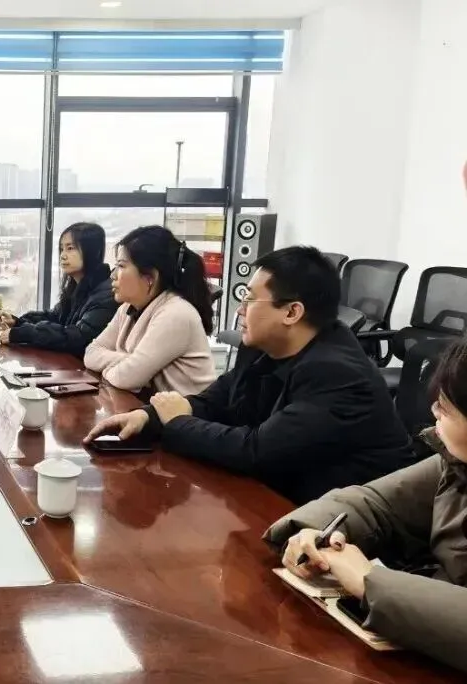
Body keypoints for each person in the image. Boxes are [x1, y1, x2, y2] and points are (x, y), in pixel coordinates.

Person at [84, 245, 415, 504]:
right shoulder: (261, 346)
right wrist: (149, 417)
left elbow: (257, 452)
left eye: (250, 299)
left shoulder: (337, 374)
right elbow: (217, 401)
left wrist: (176, 422)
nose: (240, 310)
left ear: (292, 312)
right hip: (285, 498)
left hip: (354, 526)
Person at [265, 338, 467, 674]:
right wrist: (314, 532)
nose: (433, 413)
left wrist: (370, 582)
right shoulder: (455, 462)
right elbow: (377, 503)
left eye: (444, 408)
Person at [84, 225, 216, 395]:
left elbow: (126, 377)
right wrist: (128, 361)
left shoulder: (175, 314)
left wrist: (125, 368)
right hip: (149, 405)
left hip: (185, 411)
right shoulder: (127, 308)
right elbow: (91, 353)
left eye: (121, 266)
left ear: (150, 277)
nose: (113, 275)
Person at [0, 222, 118, 357]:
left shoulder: (106, 295)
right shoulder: (77, 287)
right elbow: (54, 317)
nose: (63, 255)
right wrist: (18, 322)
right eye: (62, 249)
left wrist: (24, 333)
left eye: (70, 248)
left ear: (92, 252)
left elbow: (79, 337)